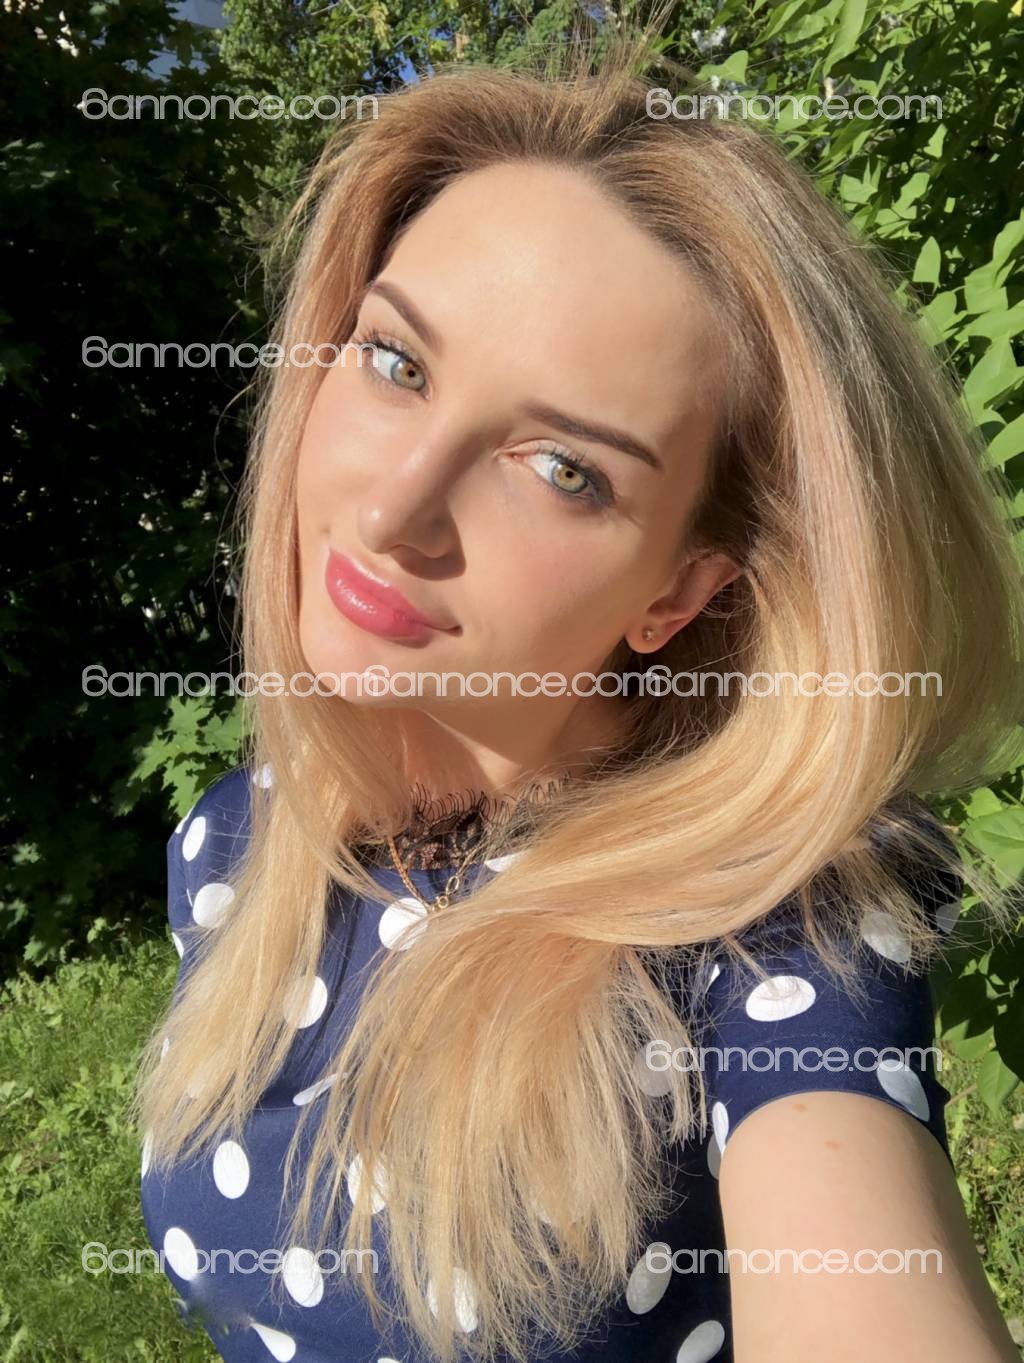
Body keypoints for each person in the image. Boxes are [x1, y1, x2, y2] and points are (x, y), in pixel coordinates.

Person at [133, 14, 1024, 1363]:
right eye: (395, 362)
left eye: (565, 470)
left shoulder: (763, 929)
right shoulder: (242, 841)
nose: (393, 507)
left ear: (679, 591)